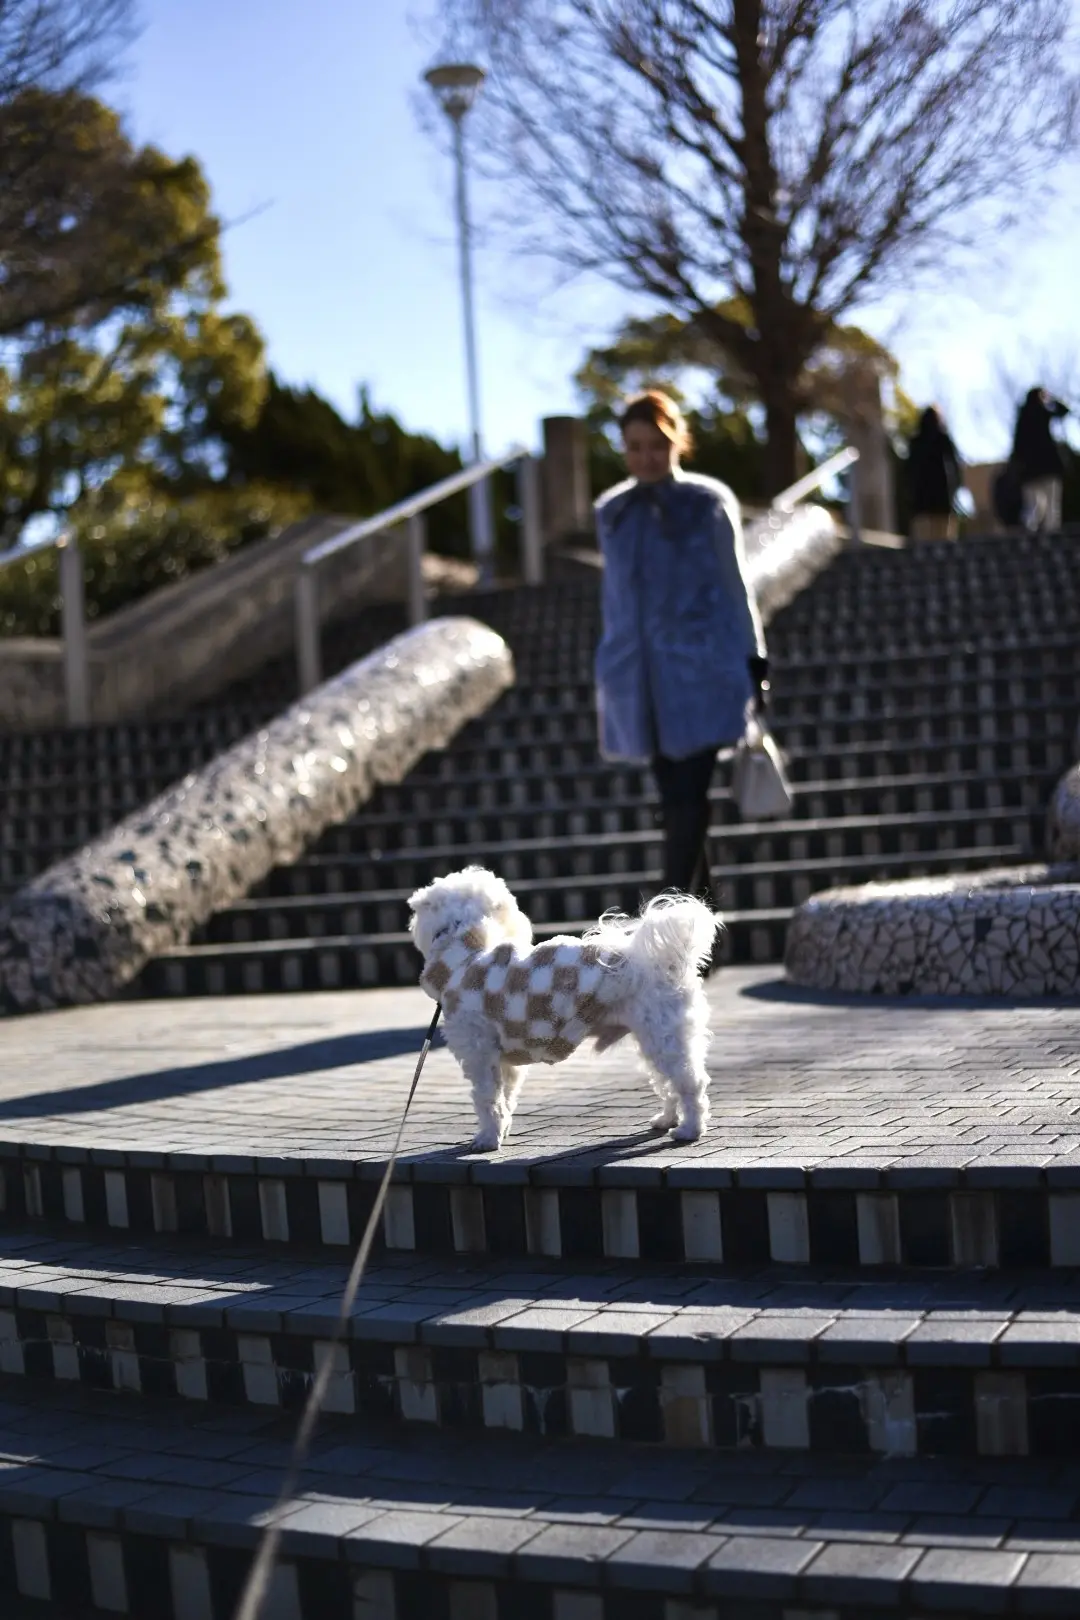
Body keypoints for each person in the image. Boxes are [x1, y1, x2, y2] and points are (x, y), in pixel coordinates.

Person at [593, 389, 767, 914]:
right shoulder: (613, 513)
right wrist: (612, 666)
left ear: (677, 442)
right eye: (634, 446)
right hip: (640, 681)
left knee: (688, 798)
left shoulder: (707, 503)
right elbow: (614, 603)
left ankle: (662, 925)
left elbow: (735, 585)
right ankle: (703, 932)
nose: (646, 457)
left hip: (703, 673)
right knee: (675, 805)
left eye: (656, 445)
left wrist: (754, 657)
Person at [1011, 387, 1069, 534]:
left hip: (1031, 471)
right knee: (1050, 505)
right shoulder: (1042, 413)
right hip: (1046, 467)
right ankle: (1050, 533)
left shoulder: (1022, 419)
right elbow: (1064, 411)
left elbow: (1017, 448)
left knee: (1035, 505)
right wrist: (1053, 399)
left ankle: (1029, 529)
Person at [906, 405, 962, 542]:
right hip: (941, 496)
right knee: (944, 537)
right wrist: (956, 485)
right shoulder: (942, 439)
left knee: (924, 538)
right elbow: (955, 464)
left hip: (922, 499)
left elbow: (908, 470)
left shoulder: (916, 442)